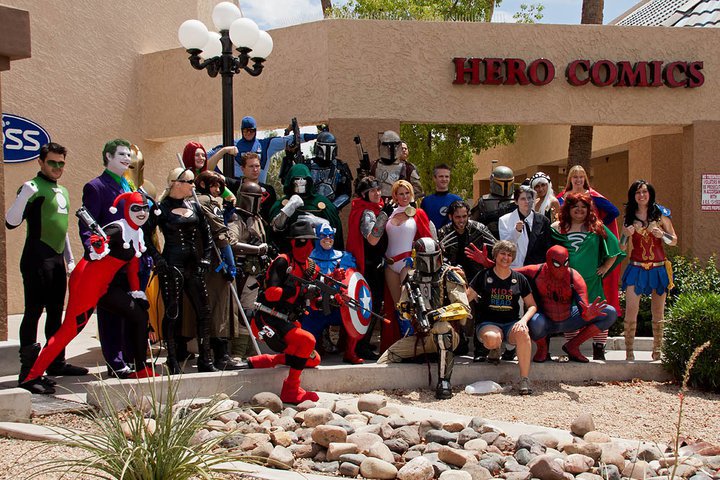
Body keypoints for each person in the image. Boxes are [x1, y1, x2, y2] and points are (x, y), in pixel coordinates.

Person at [19, 192, 157, 392]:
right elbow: (94, 253)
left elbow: (133, 266)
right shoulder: (116, 229)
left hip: (105, 286)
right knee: (70, 330)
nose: (142, 212)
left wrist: (137, 292)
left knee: (138, 315)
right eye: (136, 208)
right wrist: (98, 245)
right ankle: (31, 377)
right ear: (127, 209)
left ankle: (140, 368)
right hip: (86, 283)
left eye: (145, 208)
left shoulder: (137, 232)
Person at [6, 142, 88, 394]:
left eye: (61, 163)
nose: (57, 167)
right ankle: (28, 374)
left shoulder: (62, 190)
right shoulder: (33, 187)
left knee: (55, 312)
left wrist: (70, 259)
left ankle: (55, 362)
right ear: (41, 162)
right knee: (33, 312)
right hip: (36, 259)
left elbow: (61, 229)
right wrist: (23, 195)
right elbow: (11, 222)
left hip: (56, 260)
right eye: (52, 162)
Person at [144, 167, 216, 374]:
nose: (193, 186)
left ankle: (205, 359)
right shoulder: (161, 208)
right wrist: (158, 258)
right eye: (189, 182)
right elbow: (145, 235)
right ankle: (173, 360)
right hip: (172, 264)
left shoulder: (194, 206)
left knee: (204, 311)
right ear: (176, 183)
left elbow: (207, 235)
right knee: (172, 312)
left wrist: (206, 258)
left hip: (194, 265)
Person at [378, 238, 470, 399]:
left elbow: (463, 308)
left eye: (433, 258)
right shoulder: (412, 277)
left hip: (448, 333)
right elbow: (403, 312)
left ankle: (444, 382)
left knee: (442, 329)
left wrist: (437, 314)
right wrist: (408, 309)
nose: (430, 263)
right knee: (388, 357)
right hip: (422, 336)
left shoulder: (449, 274)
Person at [244, 220, 325, 404]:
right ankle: (291, 388)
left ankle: (268, 360)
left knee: (314, 359)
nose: (307, 247)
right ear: (293, 242)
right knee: (308, 341)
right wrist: (299, 290)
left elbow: (314, 305)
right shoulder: (282, 261)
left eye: (310, 242)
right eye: (302, 242)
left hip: (289, 321)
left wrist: (330, 300)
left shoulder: (312, 268)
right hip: (269, 318)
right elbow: (271, 294)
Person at [79, 139, 139, 378]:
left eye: (128, 155)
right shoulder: (95, 187)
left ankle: (129, 357)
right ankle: (115, 362)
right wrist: (93, 251)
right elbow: (87, 224)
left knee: (130, 310)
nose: (126, 159)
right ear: (108, 156)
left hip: (130, 260)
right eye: (121, 154)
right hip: (108, 261)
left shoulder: (128, 185)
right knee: (110, 313)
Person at [551, 192, 625, 360]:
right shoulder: (557, 228)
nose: (579, 210)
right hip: (566, 284)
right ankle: (572, 348)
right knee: (570, 315)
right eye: (575, 206)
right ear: (568, 209)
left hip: (592, 282)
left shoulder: (596, 227)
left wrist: (606, 267)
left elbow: (615, 248)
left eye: (583, 207)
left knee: (600, 313)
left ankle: (599, 349)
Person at [367, 180, 433, 351]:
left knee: (409, 304)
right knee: (398, 307)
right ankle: (404, 345)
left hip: (408, 263)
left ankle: (414, 344)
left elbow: (428, 240)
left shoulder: (418, 213)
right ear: (395, 195)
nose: (404, 197)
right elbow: (372, 240)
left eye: (407, 193)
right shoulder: (388, 213)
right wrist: (383, 215)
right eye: (401, 193)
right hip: (390, 264)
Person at [467, 240, 536, 395]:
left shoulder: (519, 279)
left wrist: (523, 320)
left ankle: (524, 379)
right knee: (493, 338)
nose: (506, 257)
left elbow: (532, 305)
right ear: (495, 255)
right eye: (502, 254)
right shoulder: (484, 276)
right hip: (488, 323)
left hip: (511, 323)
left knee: (523, 333)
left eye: (509, 255)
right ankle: (495, 348)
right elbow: (467, 297)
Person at [193, 171, 245, 370]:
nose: (217, 190)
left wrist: (226, 208)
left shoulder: (194, 201)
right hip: (215, 260)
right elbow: (221, 233)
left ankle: (210, 356)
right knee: (221, 307)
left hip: (201, 259)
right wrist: (230, 262)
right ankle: (221, 356)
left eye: (219, 187)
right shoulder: (206, 201)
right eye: (214, 185)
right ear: (203, 184)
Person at [620, 180, 677, 361]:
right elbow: (621, 247)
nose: (642, 195)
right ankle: (629, 351)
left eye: (644, 191)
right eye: (638, 192)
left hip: (658, 268)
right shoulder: (629, 216)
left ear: (650, 194)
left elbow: (674, 240)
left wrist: (662, 234)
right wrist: (625, 236)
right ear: (633, 196)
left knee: (658, 312)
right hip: (636, 268)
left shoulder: (661, 214)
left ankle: (657, 350)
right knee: (631, 310)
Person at [557, 165, 622, 317]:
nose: (578, 180)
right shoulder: (561, 198)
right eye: (575, 177)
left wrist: (597, 226)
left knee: (595, 301)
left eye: (581, 177)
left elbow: (614, 211)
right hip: (568, 243)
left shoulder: (593, 196)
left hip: (590, 246)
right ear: (570, 179)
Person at [437, 200, 496, 361]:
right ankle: (459, 342)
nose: (462, 220)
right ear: (451, 217)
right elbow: (438, 259)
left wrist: (485, 260)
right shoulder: (443, 232)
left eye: (465, 216)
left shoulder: (479, 228)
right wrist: (450, 267)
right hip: (453, 278)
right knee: (449, 306)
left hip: (478, 276)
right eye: (458, 217)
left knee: (482, 306)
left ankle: (481, 348)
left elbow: (497, 249)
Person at [302, 223, 364, 364]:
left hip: (340, 305)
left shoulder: (345, 257)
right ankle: (311, 350)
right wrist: (331, 278)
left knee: (356, 314)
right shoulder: (308, 258)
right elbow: (308, 283)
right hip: (316, 306)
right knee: (308, 325)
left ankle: (350, 352)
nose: (328, 239)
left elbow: (354, 282)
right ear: (317, 237)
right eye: (323, 235)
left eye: (330, 235)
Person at [226, 180, 270, 359]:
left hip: (257, 271)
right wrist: (257, 250)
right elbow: (231, 243)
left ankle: (249, 349)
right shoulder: (236, 218)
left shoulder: (257, 218)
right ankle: (238, 352)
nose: (259, 202)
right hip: (242, 270)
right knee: (244, 311)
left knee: (252, 311)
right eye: (256, 199)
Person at [206, 116, 317, 183]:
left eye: (251, 130)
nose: (248, 133)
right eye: (245, 131)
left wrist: (317, 136)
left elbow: (291, 139)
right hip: (237, 189)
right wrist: (219, 177)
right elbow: (207, 156)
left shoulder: (265, 145)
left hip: (261, 190)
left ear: (255, 130)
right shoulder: (232, 145)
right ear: (241, 130)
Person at [346, 176, 386, 359]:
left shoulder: (371, 209)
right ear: (364, 194)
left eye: (378, 190)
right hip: (368, 267)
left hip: (373, 264)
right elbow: (372, 239)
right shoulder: (367, 212)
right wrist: (384, 215)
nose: (377, 194)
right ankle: (361, 346)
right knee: (370, 305)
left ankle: (363, 342)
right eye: (372, 191)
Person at [269, 163, 343, 251]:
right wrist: (287, 210)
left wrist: (319, 222)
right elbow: (274, 230)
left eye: (304, 178)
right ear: (291, 181)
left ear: (309, 180)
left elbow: (335, 228)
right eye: (297, 178)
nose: (300, 181)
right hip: (290, 249)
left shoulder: (322, 202)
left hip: (318, 250)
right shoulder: (282, 203)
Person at [499, 185, 552, 268]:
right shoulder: (504, 220)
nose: (527, 201)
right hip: (516, 268)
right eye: (523, 199)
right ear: (516, 202)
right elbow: (504, 247)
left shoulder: (543, 221)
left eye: (529, 198)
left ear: (533, 200)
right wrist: (516, 232)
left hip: (537, 269)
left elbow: (548, 247)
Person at [367, 132, 424, 201]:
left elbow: (418, 190)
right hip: (376, 204)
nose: (390, 149)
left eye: (393, 145)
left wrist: (403, 200)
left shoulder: (408, 168)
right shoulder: (373, 166)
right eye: (386, 145)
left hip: (399, 205)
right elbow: (363, 189)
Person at [470, 165, 517, 239]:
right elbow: (472, 225)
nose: (504, 186)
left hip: (513, 240)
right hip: (489, 240)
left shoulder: (518, 199)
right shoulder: (484, 201)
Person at [420, 164, 462, 231]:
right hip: (432, 237)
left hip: (453, 237)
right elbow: (422, 224)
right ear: (434, 178)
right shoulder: (426, 201)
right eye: (441, 176)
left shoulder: (457, 200)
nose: (444, 179)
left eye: (446, 176)